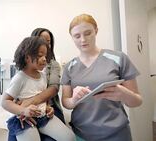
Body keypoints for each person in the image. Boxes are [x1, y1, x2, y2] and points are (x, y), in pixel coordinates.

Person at [61, 13, 142, 141]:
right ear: (72, 37)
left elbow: (137, 101)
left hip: (116, 133)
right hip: (81, 134)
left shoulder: (119, 58)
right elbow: (66, 102)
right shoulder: (69, 67)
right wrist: (74, 100)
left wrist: (124, 94)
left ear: (96, 31)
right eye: (77, 36)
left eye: (88, 33)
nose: (83, 39)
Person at [1, 36, 74, 141]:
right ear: (27, 57)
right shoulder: (20, 78)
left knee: (69, 137)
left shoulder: (43, 76)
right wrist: (23, 110)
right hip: (24, 120)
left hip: (43, 117)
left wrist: (48, 107)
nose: (44, 59)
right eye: (40, 55)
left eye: (45, 55)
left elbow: (43, 97)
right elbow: (5, 102)